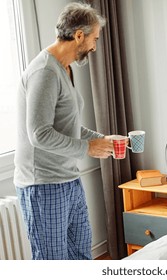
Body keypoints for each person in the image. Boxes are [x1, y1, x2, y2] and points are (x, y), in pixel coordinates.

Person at [14, 2, 115, 260]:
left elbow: (67, 125)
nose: (94, 46)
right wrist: (87, 148)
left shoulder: (64, 68)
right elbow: (39, 133)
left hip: (69, 179)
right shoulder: (45, 72)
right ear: (79, 35)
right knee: (53, 263)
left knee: (81, 255)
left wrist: (101, 140)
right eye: (94, 39)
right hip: (43, 185)